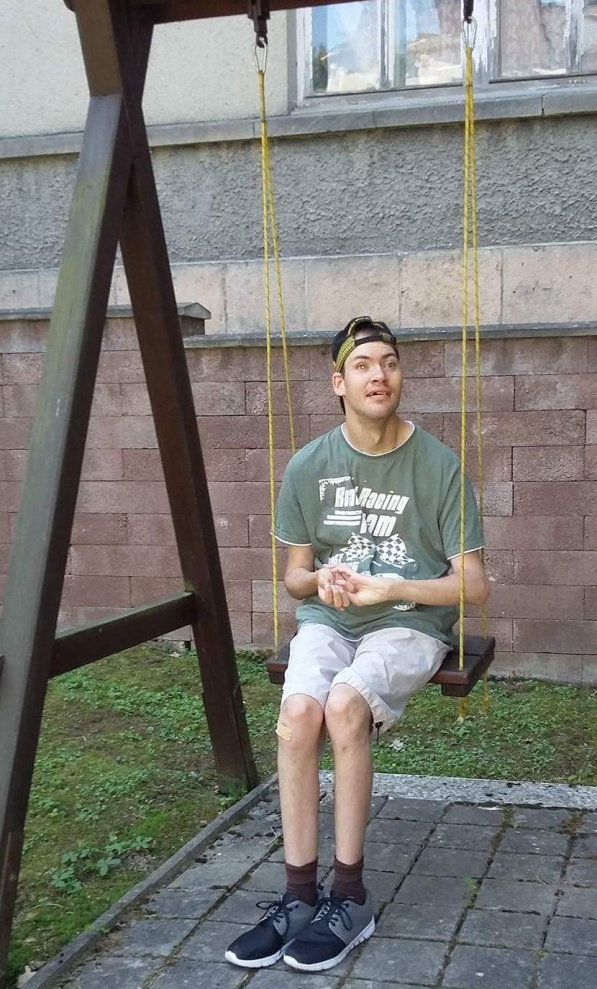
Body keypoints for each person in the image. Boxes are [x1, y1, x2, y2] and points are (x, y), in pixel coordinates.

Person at [225, 316, 489, 973]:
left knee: (345, 706)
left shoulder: (438, 465)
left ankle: (349, 897)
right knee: (297, 717)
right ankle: (297, 898)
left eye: (390, 363)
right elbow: (294, 577)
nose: (380, 376)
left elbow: (473, 585)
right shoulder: (309, 465)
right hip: (330, 620)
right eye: (364, 365)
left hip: (408, 622)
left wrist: (395, 586)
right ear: (338, 383)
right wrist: (319, 580)